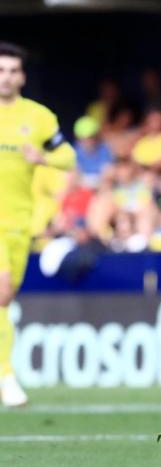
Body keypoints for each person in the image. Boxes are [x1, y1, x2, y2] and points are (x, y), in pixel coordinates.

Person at [0, 42, 77, 407]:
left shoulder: (38, 116)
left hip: (19, 224)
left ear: (23, 76)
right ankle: (7, 378)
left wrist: (42, 156)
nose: (7, 77)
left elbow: (67, 156)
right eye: (1, 70)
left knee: (5, 300)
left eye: (13, 70)